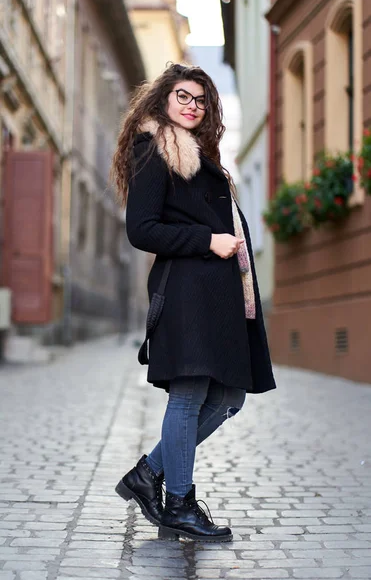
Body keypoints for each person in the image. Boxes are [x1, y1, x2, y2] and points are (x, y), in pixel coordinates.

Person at [110, 63, 276, 543]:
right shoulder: (155, 149)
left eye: (200, 99)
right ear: (164, 99)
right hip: (186, 293)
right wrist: (208, 240)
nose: (192, 105)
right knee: (188, 397)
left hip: (214, 298)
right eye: (183, 96)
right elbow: (141, 229)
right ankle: (179, 503)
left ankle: (149, 473)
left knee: (229, 397)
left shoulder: (199, 153)